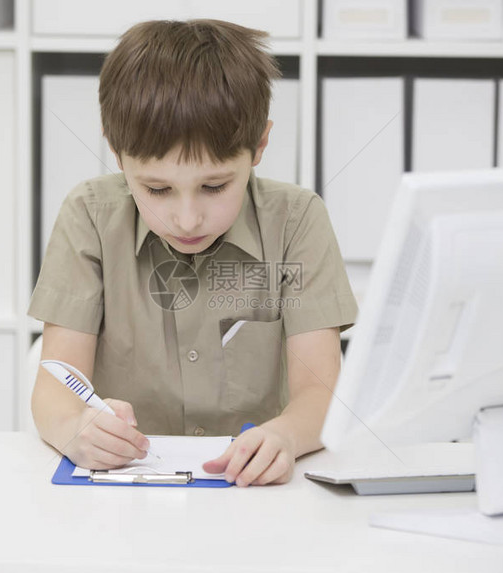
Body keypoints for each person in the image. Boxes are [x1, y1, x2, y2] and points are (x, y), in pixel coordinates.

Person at [29, 19, 357, 486]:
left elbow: (320, 393)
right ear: (117, 153)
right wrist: (74, 428)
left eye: (214, 186)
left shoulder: (297, 220)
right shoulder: (89, 216)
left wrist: (285, 435)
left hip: (256, 498)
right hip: (124, 495)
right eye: (158, 188)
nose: (186, 219)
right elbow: (54, 390)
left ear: (259, 144)